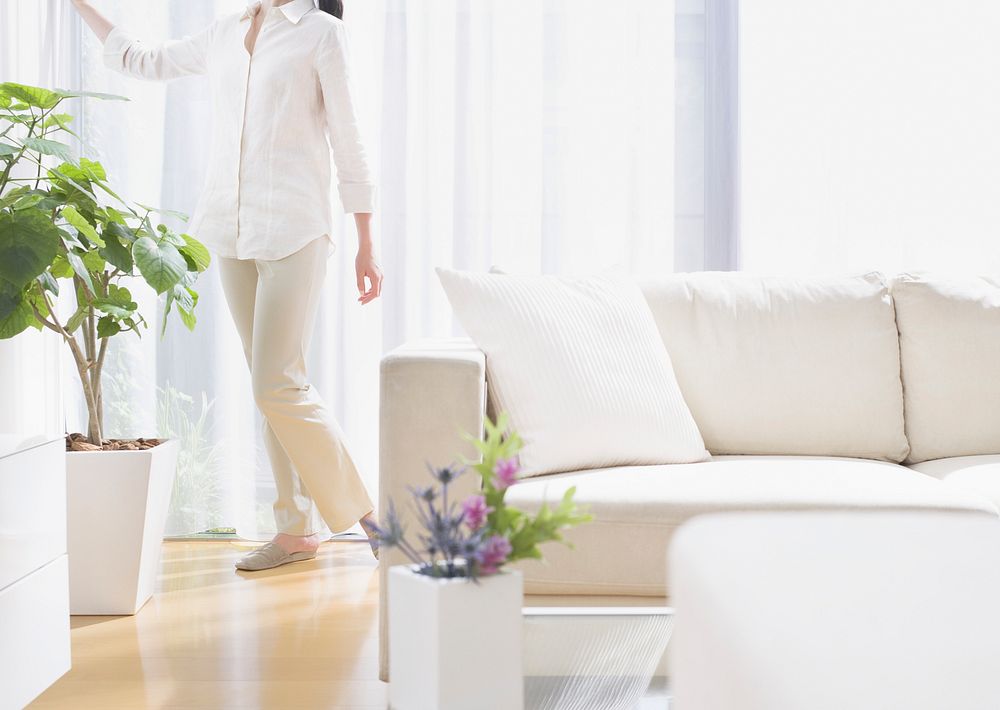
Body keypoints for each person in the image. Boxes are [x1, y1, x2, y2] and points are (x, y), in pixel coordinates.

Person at [70, 0, 382, 571]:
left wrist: (366, 240)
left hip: (295, 228)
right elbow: (144, 60)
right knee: (275, 387)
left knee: (277, 385)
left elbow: (349, 137)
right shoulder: (224, 33)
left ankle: (368, 515)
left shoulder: (320, 34)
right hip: (230, 231)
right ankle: (295, 531)